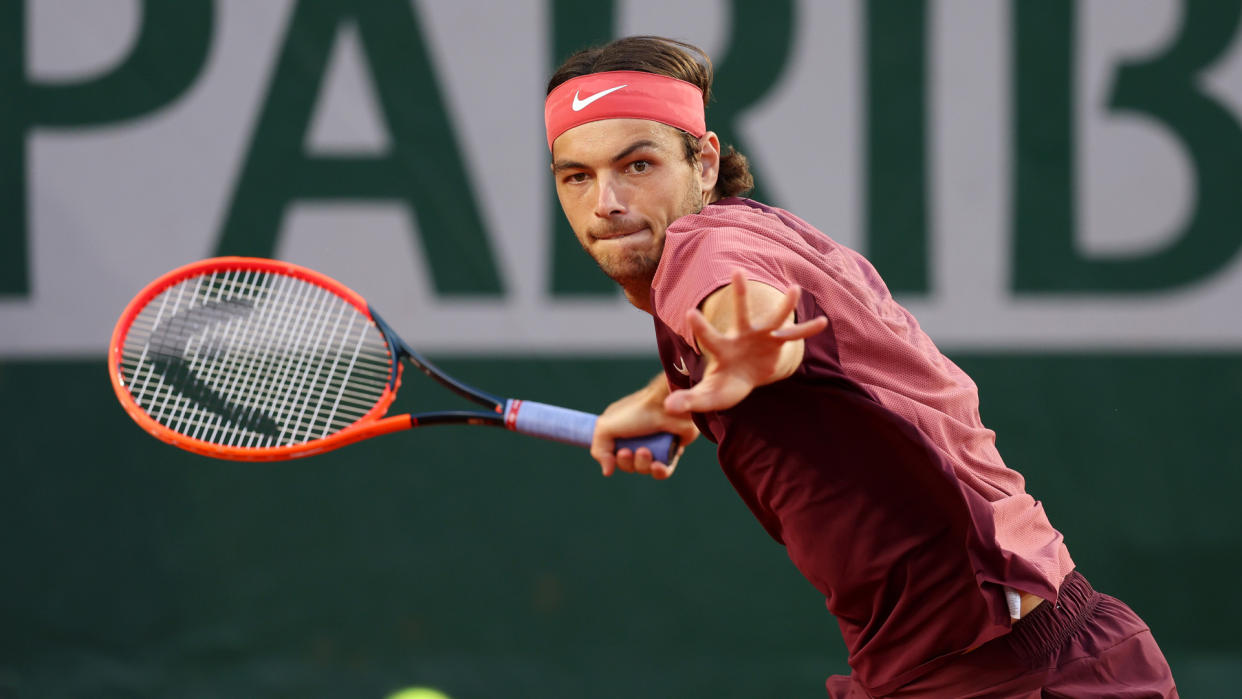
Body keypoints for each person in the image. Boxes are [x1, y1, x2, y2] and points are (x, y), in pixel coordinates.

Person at [544, 35, 1177, 697]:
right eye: (577, 176)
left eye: (637, 165)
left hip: (1014, 676)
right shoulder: (753, 227)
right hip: (968, 662)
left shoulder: (699, 252)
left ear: (703, 162)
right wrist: (673, 396)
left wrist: (744, 353)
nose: (605, 202)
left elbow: (753, 315)